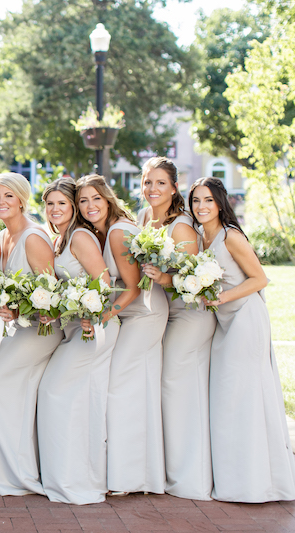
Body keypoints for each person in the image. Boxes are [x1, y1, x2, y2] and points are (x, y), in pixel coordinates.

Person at [190, 177, 295, 502]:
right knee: (228, 398)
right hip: (223, 324)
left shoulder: (230, 237)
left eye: (207, 200)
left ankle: (259, 483)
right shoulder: (200, 237)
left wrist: (220, 298)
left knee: (244, 396)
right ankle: (235, 477)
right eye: (195, 201)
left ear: (220, 203)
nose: (201, 207)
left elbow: (260, 278)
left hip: (246, 320)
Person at [77, 174, 167, 496]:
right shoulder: (101, 232)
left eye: (95, 199)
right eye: (83, 201)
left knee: (119, 388)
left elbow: (131, 288)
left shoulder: (116, 232)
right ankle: (135, 473)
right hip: (128, 314)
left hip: (144, 313)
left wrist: (103, 317)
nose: (90, 206)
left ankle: (127, 477)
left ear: (108, 199)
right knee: (129, 388)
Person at [0, 172, 62, 496]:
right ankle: (10, 467)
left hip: (40, 330)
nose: (1, 202)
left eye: (8, 196)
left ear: (22, 200)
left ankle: (12, 473)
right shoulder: (2, 238)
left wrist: (17, 311)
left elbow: (51, 299)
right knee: (12, 394)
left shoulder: (32, 237)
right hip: (17, 329)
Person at [36, 177, 118, 505]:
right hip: (73, 329)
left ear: (73, 207)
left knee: (54, 391)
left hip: (93, 329)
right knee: (68, 399)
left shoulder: (80, 236)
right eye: (50, 204)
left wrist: (92, 314)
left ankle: (73, 481)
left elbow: (104, 280)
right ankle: (66, 475)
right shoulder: (60, 240)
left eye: (62, 203)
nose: (55, 209)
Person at [138, 158, 216, 500]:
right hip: (162, 313)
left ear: (173, 188)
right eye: (147, 182)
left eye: (160, 183)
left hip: (190, 313)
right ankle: (170, 467)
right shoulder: (144, 218)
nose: (152, 189)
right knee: (166, 386)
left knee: (176, 385)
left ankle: (191, 477)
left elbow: (197, 278)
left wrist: (165, 277)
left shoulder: (181, 226)